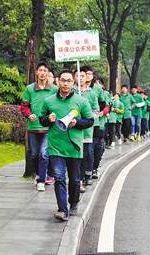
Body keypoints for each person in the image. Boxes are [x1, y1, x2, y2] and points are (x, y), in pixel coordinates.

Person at [39, 69, 94, 221]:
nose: (65, 83)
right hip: (56, 146)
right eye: (63, 80)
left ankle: (74, 202)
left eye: (69, 80)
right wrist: (47, 119)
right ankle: (63, 209)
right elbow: (41, 119)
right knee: (59, 177)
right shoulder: (49, 101)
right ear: (58, 81)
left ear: (73, 82)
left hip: (74, 147)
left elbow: (90, 121)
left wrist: (77, 123)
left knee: (75, 179)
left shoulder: (81, 101)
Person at [20, 61, 58, 191]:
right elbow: (24, 106)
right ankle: (38, 174)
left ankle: (42, 180)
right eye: (40, 70)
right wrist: (29, 114)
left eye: (45, 71)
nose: (42, 73)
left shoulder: (54, 89)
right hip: (33, 128)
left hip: (48, 128)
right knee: (34, 154)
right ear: (37, 72)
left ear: (48, 73)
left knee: (43, 154)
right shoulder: (30, 89)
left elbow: (58, 105)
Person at [73, 68, 97, 189]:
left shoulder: (92, 93)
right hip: (73, 128)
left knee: (85, 154)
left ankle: (84, 177)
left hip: (86, 129)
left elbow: (95, 109)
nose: (80, 78)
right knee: (76, 155)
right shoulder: (71, 91)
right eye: (77, 76)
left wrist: (88, 116)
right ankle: (78, 180)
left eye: (82, 76)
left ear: (86, 78)